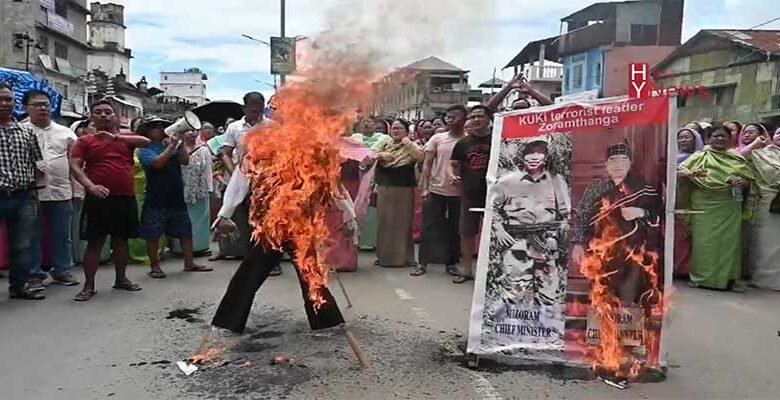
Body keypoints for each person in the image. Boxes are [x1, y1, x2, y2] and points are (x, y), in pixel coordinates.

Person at [206, 154, 345, 337]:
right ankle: (227, 323)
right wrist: (225, 213)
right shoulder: (259, 151)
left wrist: (348, 215)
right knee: (249, 273)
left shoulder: (309, 151)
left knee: (310, 275)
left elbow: (332, 185)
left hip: (300, 224)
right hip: (271, 225)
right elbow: (240, 180)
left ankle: (327, 322)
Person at [70, 100, 151, 301]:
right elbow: (75, 166)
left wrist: (115, 137)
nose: (104, 115)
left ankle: (121, 279)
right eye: (98, 112)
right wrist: (90, 186)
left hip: (125, 196)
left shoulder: (126, 137)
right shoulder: (85, 141)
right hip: (98, 197)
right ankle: (88, 286)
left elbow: (146, 142)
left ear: (115, 116)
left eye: (108, 112)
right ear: (92, 117)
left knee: (121, 240)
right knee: (95, 242)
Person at [571, 141, 664, 305]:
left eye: (623, 160)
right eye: (613, 160)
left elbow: (659, 215)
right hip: (601, 250)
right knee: (601, 295)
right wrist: (578, 244)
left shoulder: (643, 189)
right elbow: (582, 216)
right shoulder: (596, 188)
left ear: (630, 163)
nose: (618, 165)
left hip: (632, 252)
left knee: (627, 298)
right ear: (606, 164)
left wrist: (640, 212)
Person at [679, 124, 757, 292]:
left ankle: (728, 279)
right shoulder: (700, 156)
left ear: (730, 139)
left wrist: (742, 182)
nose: (719, 139)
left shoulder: (737, 158)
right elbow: (680, 171)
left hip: (729, 206)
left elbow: (749, 181)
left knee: (729, 245)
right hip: (704, 206)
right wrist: (691, 174)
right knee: (704, 243)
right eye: (715, 136)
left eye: (723, 136)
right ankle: (700, 278)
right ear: (708, 139)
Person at [137, 117, 212, 278]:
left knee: (185, 231)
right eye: (155, 126)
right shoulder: (145, 149)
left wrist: (181, 143)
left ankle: (189, 263)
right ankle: (154, 266)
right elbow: (157, 164)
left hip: (176, 195)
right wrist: (172, 146)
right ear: (148, 132)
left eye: (162, 126)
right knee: (153, 234)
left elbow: (185, 161)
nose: (160, 129)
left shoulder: (170, 144)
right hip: (156, 197)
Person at [212, 93, 277, 271]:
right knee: (246, 222)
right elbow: (225, 152)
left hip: (267, 181)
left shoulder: (272, 127)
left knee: (267, 222)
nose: (257, 115)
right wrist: (235, 172)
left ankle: (272, 263)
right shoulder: (234, 128)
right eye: (253, 111)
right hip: (242, 181)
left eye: (260, 111)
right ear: (244, 109)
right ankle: (251, 262)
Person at [23, 90, 80, 291]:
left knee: (62, 235)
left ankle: (62, 270)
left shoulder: (66, 133)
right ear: (26, 108)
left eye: (46, 104)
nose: (43, 108)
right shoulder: (20, 131)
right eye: (37, 105)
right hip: (30, 193)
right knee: (32, 236)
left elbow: (76, 162)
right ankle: (34, 274)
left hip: (61, 191)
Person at [0, 82, 45, 300]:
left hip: (24, 196)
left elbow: (37, 163)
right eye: (0, 99)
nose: (4, 103)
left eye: (8, 99)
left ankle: (19, 286)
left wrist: (34, 191)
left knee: (22, 245)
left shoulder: (27, 132)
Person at [413, 105, 467, 277]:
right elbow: (427, 164)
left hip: (459, 193)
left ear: (464, 119)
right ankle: (422, 263)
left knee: (454, 229)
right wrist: (424, 188)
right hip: (436, 189)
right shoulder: (438, 138)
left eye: (455, 117)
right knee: (429, 227)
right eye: (448, 117)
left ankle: (451, 263)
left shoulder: (468, 140)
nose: (450, 120)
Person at [369, 118, 424, 268]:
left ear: (406, 131)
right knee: (385, 223)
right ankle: (384, 257)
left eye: (399, 128)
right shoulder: (384, 143)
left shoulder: (412, 145)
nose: (395, 130)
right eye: (393, 128)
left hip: (404, 189)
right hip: (385, 187)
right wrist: (381, 155)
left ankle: (403, 258)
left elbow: (420, 157)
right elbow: (371, 155)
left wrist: (407, 143)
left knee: (403, 223)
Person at [449, 105, 493, 284]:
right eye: (472, 117)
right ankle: (466, 270)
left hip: (494, 195)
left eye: (480, 116)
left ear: (488, 119)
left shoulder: (498, 139)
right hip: (469, 194)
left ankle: (492, 271)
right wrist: (452, 175)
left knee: (495, 233)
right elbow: (453, 164)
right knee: (467, 233)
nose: (476, 120)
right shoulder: (463, 143)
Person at [742, 125, 780, 290]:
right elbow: (738, 157)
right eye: (778, 133)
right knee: (767, 242)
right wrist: (755, 144)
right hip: (766, 201)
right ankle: (764, 279)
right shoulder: (759, 153)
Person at [176, 129, 215, 256]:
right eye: (187, 131)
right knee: (182, 218)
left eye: (193, 131)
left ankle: (200, 247)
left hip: (200, 189)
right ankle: (180, 249)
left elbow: (208, 170)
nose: (191, 133)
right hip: (182, 188)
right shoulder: (176, 149)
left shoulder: (203, 150)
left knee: (201, 218)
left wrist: (210, 188)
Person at [673, 127, 704, 278]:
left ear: (696, 139)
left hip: (696, 199)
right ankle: (676, 267)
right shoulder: (672, 157)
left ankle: (688, 268)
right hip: (676, 198)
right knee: (678, 234)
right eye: (680, 137)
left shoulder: (703, 157)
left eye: (687, 137)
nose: (683, 140)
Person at [486, 74, 553, 113]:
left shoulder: (534, 119)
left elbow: (552, 108)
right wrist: (508, 87)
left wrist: (531, 91)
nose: (520, 111)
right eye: (517, 108)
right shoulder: (507, 119)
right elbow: (489, 108)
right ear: (512, 109)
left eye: (523, 108)